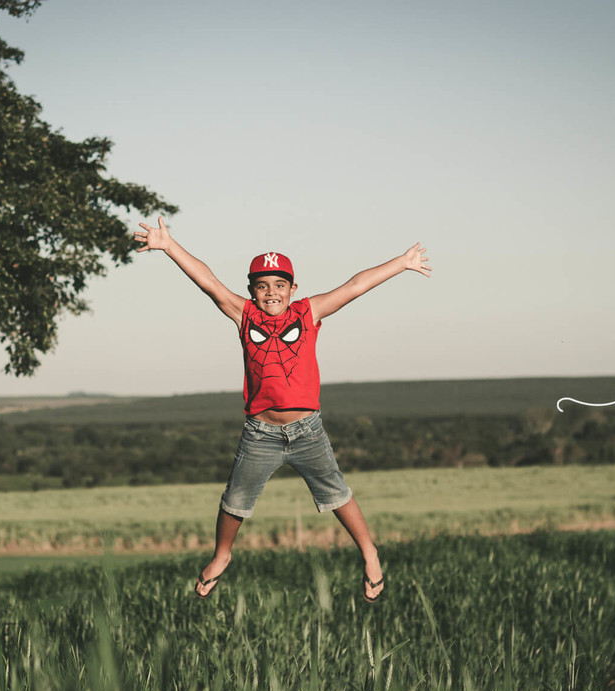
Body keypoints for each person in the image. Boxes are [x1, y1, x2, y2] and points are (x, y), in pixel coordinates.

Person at [134, 217, 431, 602]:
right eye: (262, 286)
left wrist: (402, 262)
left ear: (293, 288)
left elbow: (356, 285)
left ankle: (370, 554)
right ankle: (222, 555)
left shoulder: (309, 312)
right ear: (252, 291)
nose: (271, 292)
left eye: (279, 285)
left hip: (308, 431)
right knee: (234, 501)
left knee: (337, 494)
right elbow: (208, 281)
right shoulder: (245, 315)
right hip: (260, 433)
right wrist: (169, 246)